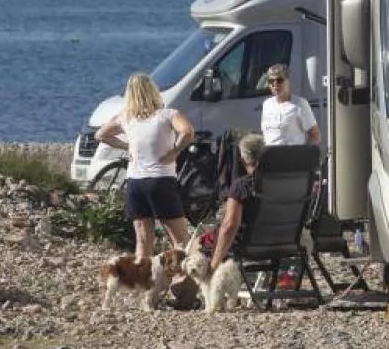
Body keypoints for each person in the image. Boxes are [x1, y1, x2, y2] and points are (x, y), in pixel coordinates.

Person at [94, 72, 195, 260]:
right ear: (153, 91)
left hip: (136, 183)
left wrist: (126, 146)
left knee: (143, 241)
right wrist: (175, 151)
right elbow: (188, 132)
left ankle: (142, 284)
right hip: (161, 181)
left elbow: (100, 135)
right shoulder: (168, 115)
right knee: (181, 241)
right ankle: (181, 282)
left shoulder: (125, 118)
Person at [208, 133, 266, 273]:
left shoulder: (241, 186)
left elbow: (230, 226)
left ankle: (197, 289)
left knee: (200, 243)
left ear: (243, 160)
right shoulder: (284, 181)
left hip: (249, 242)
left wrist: (214, 264)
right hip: (285, 240)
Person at [260, 63, 320, 146]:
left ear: (287, 80)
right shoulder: (267, 104)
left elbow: (315, 135)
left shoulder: (300, 104)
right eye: (271, 81)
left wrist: (303, 154)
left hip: (291, 156)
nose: (275, 84)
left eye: (279, 80)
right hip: (270, 156)